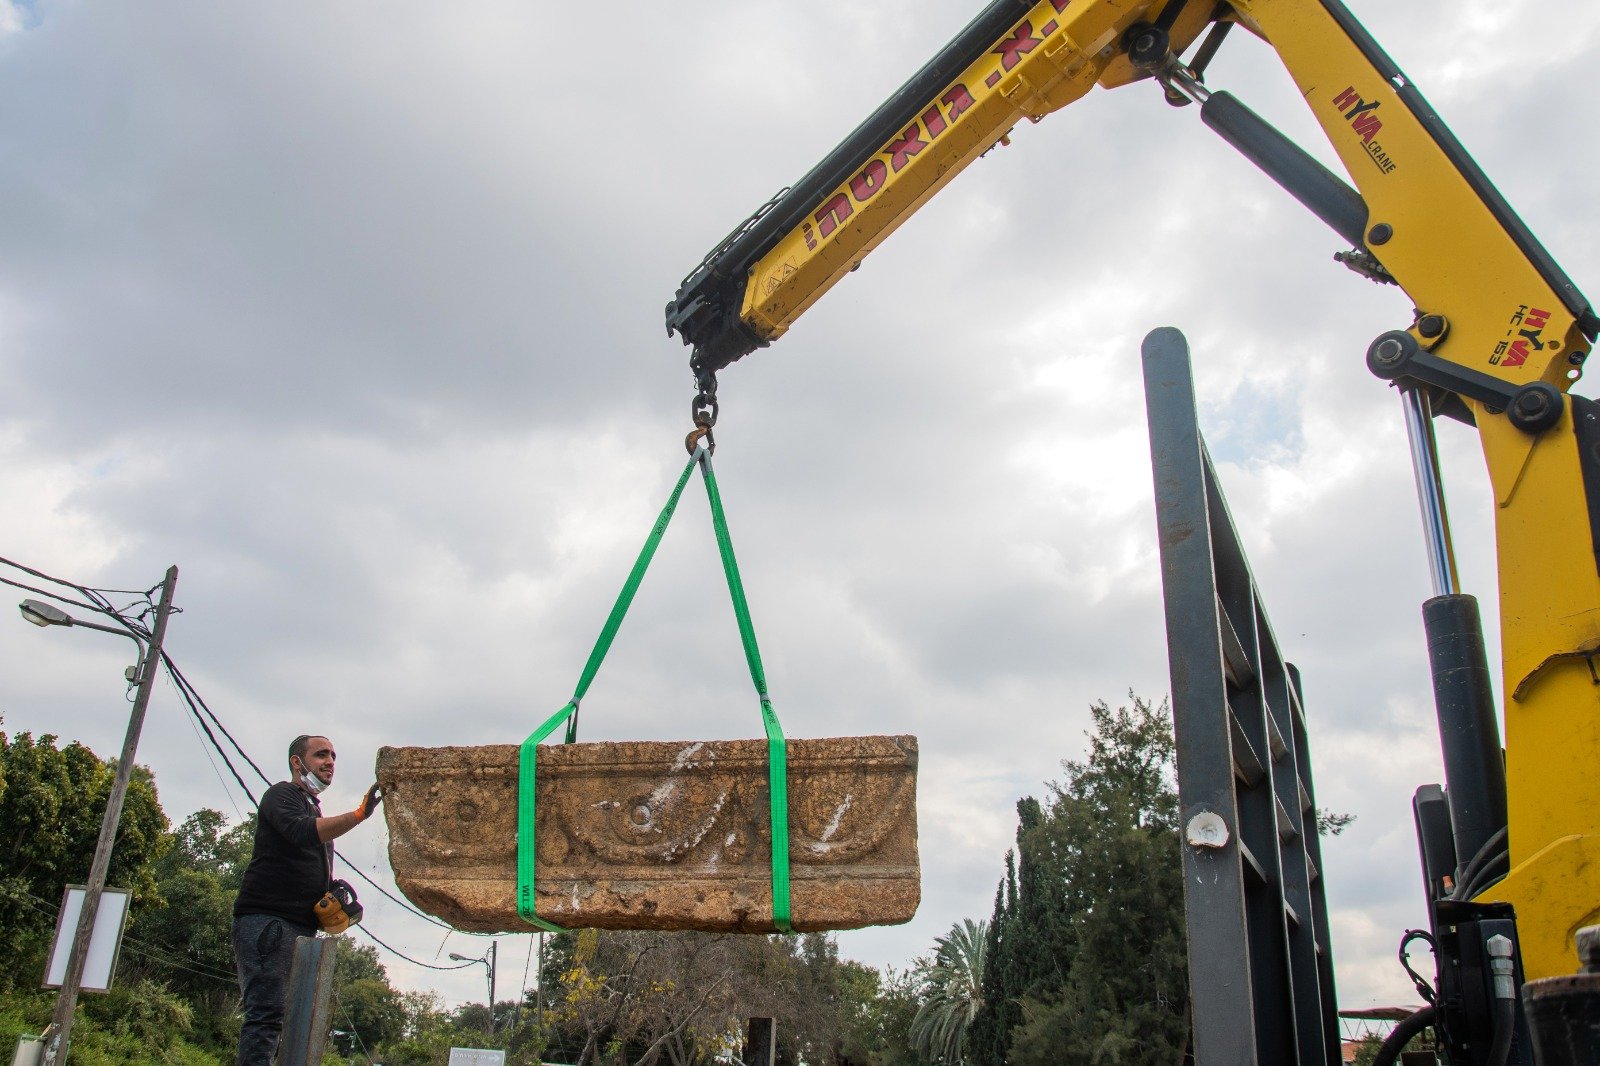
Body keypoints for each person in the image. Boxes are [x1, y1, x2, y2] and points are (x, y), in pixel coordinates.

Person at [231, 734, 382, 1066]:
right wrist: (358, 814)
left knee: (283, 1016)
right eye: (321, 755)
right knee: (266, 1014)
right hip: (268, 922)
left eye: (333, 756)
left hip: (296, 926)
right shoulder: (281, 795)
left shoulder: (312, 807)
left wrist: (331, 890)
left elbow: (304, 855)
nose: (330, 762)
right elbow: (301, 832)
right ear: (296, 762)